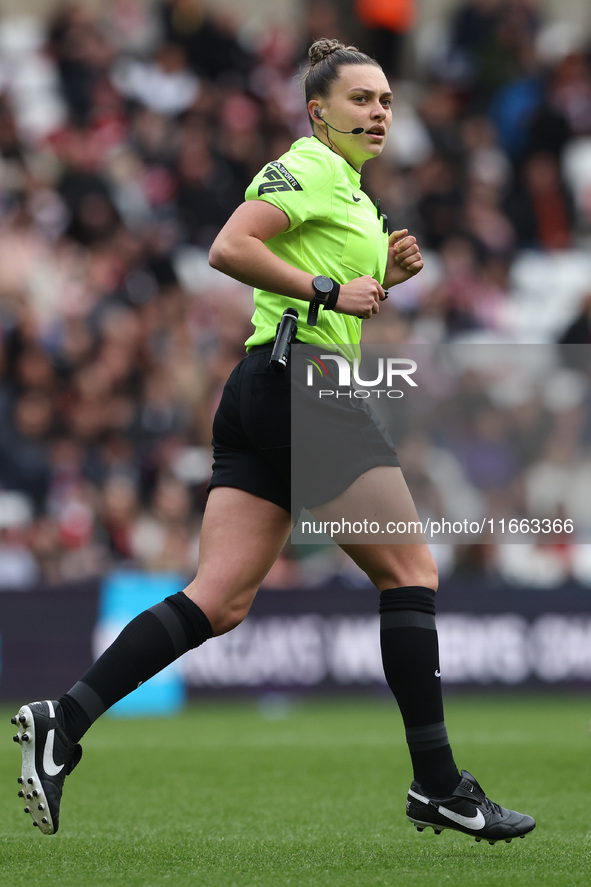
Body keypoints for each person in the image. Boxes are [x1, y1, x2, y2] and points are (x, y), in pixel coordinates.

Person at [12, 38, 535, 844]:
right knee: (411, 569)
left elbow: (318, 285)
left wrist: (378, 283)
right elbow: (229, 247)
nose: (380, 113)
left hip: (266, 385)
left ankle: (63, 719)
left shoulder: (355, 195)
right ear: (317, 111)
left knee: (219, 598)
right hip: (301, 387)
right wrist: (329, 287)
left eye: (388, 101)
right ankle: (437, 784)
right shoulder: (310, 166)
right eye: (361, 100)